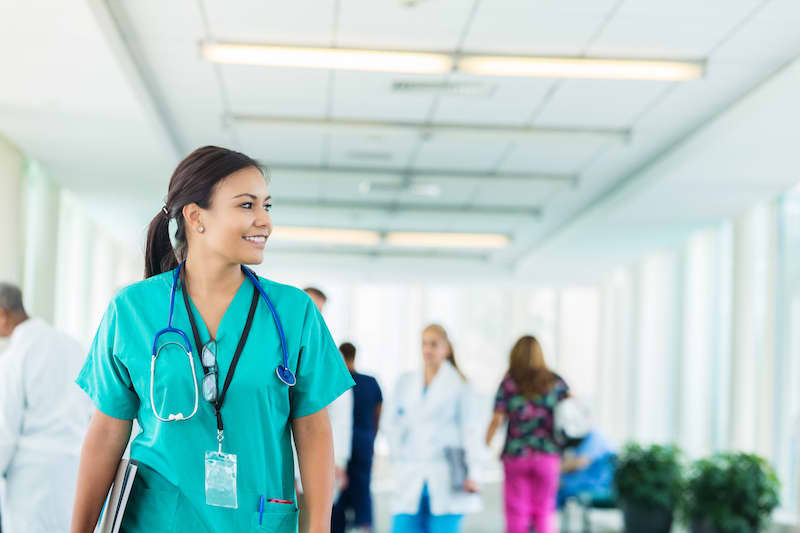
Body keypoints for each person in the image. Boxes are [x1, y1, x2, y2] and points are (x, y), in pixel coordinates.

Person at [70, 146, 354, 533]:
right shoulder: (132, 310)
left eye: (266, 206)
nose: (264, 222)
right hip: (157, 520)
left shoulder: (294, 312)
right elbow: (106, 432)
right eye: (246, 205)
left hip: (257, 520)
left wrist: (317, 528)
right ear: (195, 216)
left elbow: (314, 430)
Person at [0, 283, 89, 533]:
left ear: (2, 314)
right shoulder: (70, 345)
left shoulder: (13, 358)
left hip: (30, 481)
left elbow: (5, 433)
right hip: (72, 472)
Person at [385, 324, 482, 533]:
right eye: (424, 344)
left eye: (433, 344)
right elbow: (390, 423)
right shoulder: (406, 382)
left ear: (446, 348)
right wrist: (397, 455)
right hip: (410, 469)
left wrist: (474, 472)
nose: (427, 349)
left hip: (446, 472)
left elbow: (472, 430)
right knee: (402, 525)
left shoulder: (460, 384)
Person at [485, 335, 570, 533]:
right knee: (544, 511)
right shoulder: (555, 382)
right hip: (547, 455)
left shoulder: (508, 383)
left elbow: (497, 419)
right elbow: (573, 412)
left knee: (516, 511)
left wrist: (483, 445)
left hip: (516, 455)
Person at [293, 287, 352, 533]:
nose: (313, 314)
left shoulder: (328, 354)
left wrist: (339, 461)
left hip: (316, 456)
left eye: (319, 310)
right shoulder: (277, 343)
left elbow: (341, 416)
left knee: (311, 522)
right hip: (279, 461)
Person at [332, 342, 383, 533]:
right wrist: (371, 436)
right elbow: (378, 412)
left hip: (341, 447)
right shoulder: (370, 382)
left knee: (338, 494)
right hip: (363, 443)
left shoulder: (337, 382)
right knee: (362, 492)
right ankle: (364, 526)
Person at [555, 399, 615, 508]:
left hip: (593, 487)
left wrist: (550, 469)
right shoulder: (582, 440)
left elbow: (580, 462)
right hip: (576, 485)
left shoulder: (596, 438)